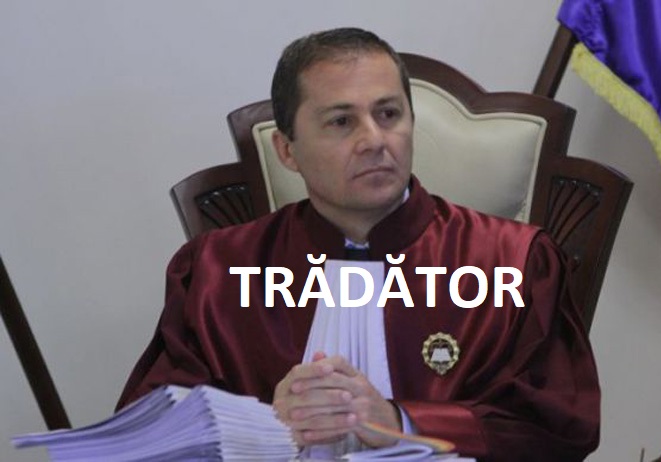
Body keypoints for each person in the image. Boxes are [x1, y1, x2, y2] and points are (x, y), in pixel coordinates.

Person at [118, 28, 600, 460]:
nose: (374, 140)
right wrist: (262, 427)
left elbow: (558, 431)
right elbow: (150, 436)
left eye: (388, 114)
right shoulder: (217, 271)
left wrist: (401, 423)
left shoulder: (514, 264)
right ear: (287, 150)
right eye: (341, 122)